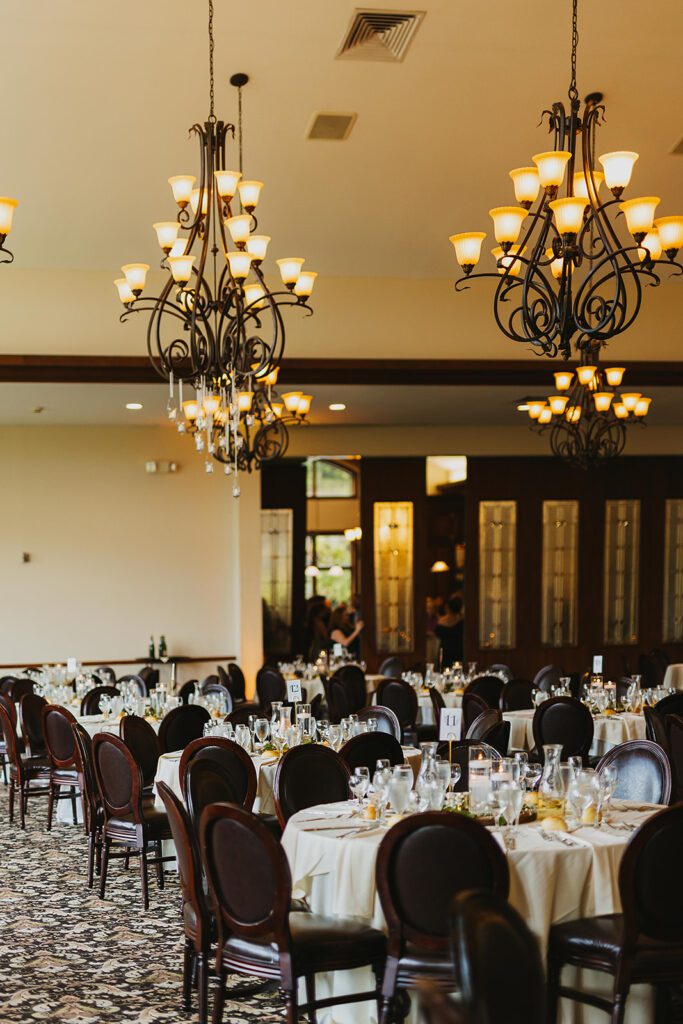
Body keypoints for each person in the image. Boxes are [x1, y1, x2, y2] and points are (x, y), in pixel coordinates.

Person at [434, 595, 464, 669]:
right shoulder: (462, 621)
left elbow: (437, 633)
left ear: (448, 608)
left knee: (444, 668)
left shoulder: (441, 621)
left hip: (446, 649)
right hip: (458, 648)